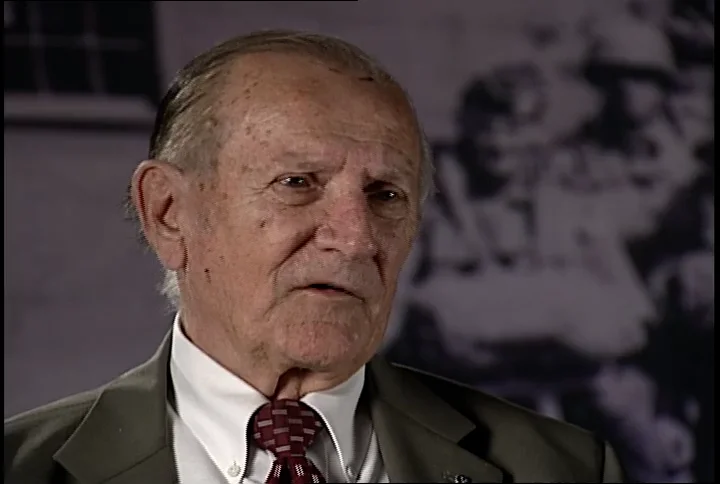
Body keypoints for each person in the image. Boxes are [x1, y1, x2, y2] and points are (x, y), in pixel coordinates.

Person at [4, 30, 626, 484]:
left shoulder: (562, 468)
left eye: (386, 195)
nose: (356, 239)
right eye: (297, 183)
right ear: (168, 212)